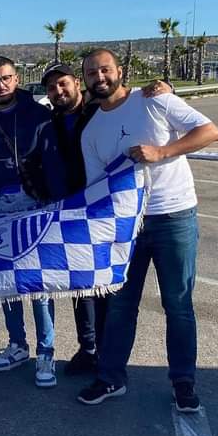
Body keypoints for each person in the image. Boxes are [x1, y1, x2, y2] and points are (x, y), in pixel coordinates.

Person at [74, 48, 218, 413]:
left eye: (105, 69)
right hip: (128, 226)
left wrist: (164, 151)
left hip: (174, 217)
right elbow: (97, 188)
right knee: (121, 305)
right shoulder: (92, 131)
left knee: (178, 304)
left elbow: (209, 131)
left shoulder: (155, 99)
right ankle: (111, 377)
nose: (100, 77)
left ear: (119, 71)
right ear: (86, 80)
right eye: (92, 73)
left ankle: (183, 381)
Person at [26, 63, 171, 379]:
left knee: (108, 287)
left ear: (77, 83)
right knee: (81, 288)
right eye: (51, 88)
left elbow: (131, 103)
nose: (58, 91)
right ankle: (88, 348)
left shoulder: (97, 112)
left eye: (63, 84)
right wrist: (42, 193)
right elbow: (33, 165)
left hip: (105, 211)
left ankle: (108, 353)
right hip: (69, 216)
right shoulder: (47, 125)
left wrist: (163, 88)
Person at [0, 56, 58, 383]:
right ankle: (17, 344)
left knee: (38, 283)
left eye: (5, 78)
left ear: (16, 78)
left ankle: (46, 352)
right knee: (7, 283)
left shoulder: (37, 114)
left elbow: (51, 158)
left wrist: (53, 201)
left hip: (33, 201)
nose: (0, 85)